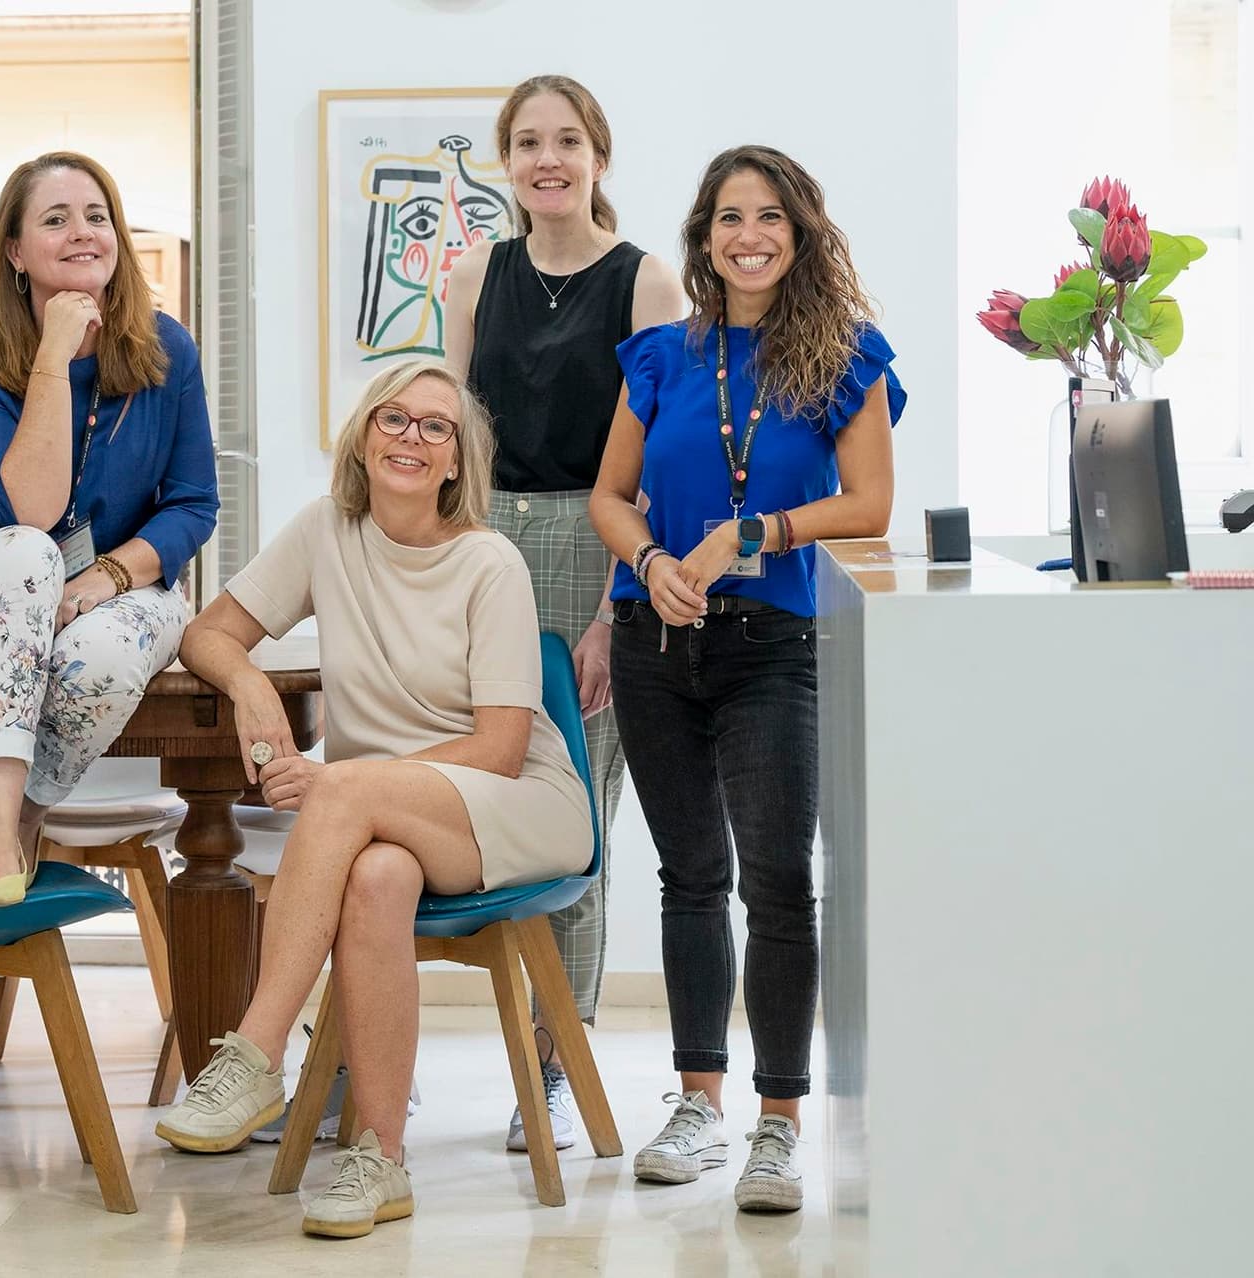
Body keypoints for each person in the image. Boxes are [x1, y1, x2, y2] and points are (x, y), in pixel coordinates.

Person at [155, 360, 594, 1240]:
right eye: (393, 418)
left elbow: (501, 749)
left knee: (347, 795)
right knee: (378, 878)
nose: (410, 438)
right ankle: (381, 1159)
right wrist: (251, 688)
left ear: (457, 462)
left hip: (519, 805)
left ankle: (255, 1052)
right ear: (363, 437)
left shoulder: (489, 562)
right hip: (384, 822)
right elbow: (208, 633)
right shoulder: (327, 531)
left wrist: (341, 784)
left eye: (435, 427)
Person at [588, 144, 904, 1212]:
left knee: (774, 882)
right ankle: (697, 1106)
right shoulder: (660, 356)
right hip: (656, 641)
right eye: (730, 216)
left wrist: (753, 532)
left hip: (774, 646)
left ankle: (778, 1122)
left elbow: (869, 505)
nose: (749, 235)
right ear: (705, 236)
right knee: (690, 878)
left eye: (770, 215)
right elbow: (610, 497)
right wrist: (650, 562)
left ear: (800, 232)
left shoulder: (846, 356)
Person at [440, 73, 686, 1152]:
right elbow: (451, 440)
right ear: (508, 161)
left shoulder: (646, 282)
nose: (548, 160)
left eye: (568, 141)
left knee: (575, 815)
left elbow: (658, 468)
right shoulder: (474, 275)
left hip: (599, 545)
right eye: (529, 142)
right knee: (475, 800)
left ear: (599, 157)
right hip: (484, 549)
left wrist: (613, 609)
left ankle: (553, 1061)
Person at [0, 151, 217, 906]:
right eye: (56, 219)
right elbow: (31, 511)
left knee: (105, 657)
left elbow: (193, 504)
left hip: (123, 584)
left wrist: (105, 577)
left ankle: (24, 814)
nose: (83, 232)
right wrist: (52, 355)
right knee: (26, 552)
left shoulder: (168, 350)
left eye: (97, 216)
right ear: (16, 252)